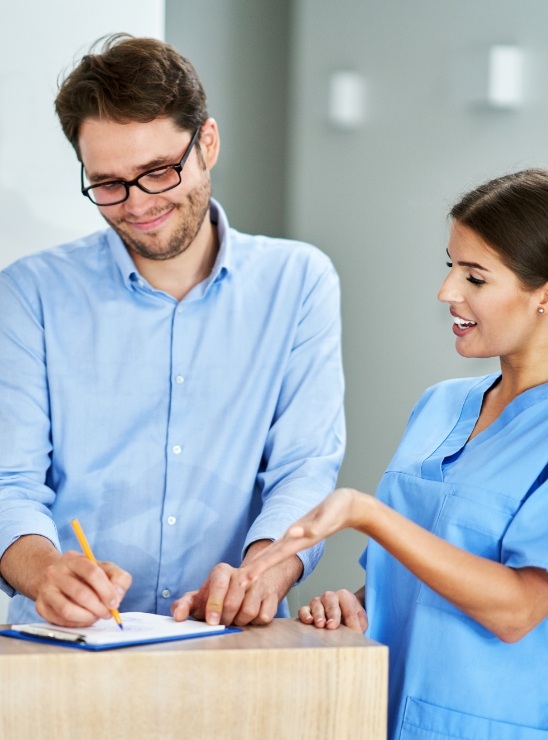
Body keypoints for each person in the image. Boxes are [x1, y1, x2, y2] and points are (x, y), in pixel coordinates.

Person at [0, 34, 345, 630]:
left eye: (158, 171)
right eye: (108, 183)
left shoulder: (299, 281)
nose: (137, 204)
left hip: (230, 640)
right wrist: (44, 572)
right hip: (66, 646)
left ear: (206, 143)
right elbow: (10, 482)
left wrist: (265, 571)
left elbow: (304, 467)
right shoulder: (29, 293)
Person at [240, 168, 548, 738]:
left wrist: (367, 513)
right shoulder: (441, 406)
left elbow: (519, 609)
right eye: (450, 267)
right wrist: (355, 604)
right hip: (384, 712)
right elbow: (414, 578)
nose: (447, 292)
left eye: (475, 277)